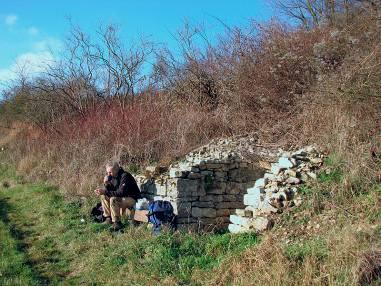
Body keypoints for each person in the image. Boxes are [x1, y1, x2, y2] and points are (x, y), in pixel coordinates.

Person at [94, 161, 141, 231]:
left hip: (132, 198)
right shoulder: (111, 177)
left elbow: (121, 193)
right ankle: (108, 218)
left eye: (110, 172)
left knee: (114, 199)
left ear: (116, 170)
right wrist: (106, 185)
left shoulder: (125, 176)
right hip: (121, 198)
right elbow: (111, 192)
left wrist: (105, 191)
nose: (108, 174)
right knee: (103, 196)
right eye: (107, 172)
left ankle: (117, 222)